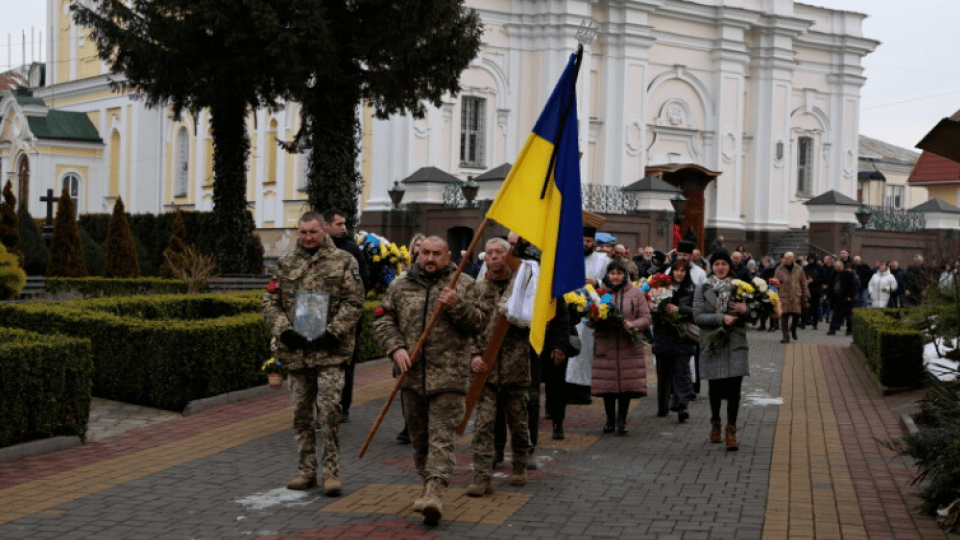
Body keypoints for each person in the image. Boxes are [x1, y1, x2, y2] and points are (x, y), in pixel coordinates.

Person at [372, 236, 487, 526]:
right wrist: (395, 348)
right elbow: (383, 320)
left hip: (449, 377)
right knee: (420, 440)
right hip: (411, 378)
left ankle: (435, 493)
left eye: (437, 253)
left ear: (448, 256)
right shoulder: (400, 285)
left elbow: (480, 322)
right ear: (417, 254)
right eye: (425, 253)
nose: (430, 258)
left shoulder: (464, 284)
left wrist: (456, 305)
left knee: (441, 438)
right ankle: (427, 486)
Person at [261, 211, 364, 495]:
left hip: (330, 351)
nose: (308, 237)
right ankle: (306, 471)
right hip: (296, 352)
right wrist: (284, 330)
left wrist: (333, 331)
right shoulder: (285, 263)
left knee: (330, 409)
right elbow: (270, 300)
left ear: (325, 231)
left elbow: (355, 301)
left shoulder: (344, 261)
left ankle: (331, 472)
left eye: (313, 232)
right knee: (301, 414)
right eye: (303, 232)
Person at [467, 238, 532, 497]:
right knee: (483, 424)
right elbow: (468, 326)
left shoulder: (523, 287)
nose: (493, 257)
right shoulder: (477, 288)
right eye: (489, 253)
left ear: (508, 256)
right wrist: (473, 355)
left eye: (499, 252)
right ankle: (482, 476)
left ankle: (519, 463)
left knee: (518, 422)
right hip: (486, 369)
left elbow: (535, 322)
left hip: (515, 366)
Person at [693, 250, 750, 451]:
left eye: (724, 263)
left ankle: (731, 429)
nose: (720, 267)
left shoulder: (741, 287)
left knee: (734, 389)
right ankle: (716, 422)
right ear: (711, 266)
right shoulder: (703, 287)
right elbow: (698, 316)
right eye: (716, 263)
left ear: (729, 266)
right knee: (715, 388)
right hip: (713, 344)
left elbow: (754, 314)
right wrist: (721, 318)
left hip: (735, 344)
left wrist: (746, 310)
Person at [591, 261, 652, 435]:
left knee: (626, 386)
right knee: (607, 387)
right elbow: (593, 315)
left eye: (619, 273)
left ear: (625, 275)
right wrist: (597, 319)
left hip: (628, 344)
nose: (615, 276)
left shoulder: (635, 293)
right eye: (612, 273)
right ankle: (610, 420)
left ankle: (622, 420)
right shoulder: (602, 293)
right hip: (607, 343)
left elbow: (647, 318)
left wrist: (632, 324)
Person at [323, 209, 371, 425]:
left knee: (345, 364)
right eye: (339, 224)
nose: (343, 227)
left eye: (344, 224)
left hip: (347, 321)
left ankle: (343, 406)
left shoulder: (352, 250)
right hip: (319, 318)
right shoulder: (315, 249)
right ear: (326, 226)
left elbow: (364, 283)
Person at [564, 227, 612, 407]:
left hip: (591, 312)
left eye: (589, 241)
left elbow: (612, 281)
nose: (586, 244)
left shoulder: (603, 260)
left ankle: (584, 392)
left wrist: (597, 282)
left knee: (584, 352)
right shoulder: (569, 258)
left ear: (594, 242)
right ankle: (568, 390)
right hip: (569, 310)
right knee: (568, 349)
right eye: (583, 241)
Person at [652, 260, 697, 423]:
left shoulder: (692, 289)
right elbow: (652, 312)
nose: (679, 273)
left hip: (683, 338)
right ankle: (662, 406)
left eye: (683, 271)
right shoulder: (660, 288)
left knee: (681, 372)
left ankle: (682, 406)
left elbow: (697, 312)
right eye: (676, 270)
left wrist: (680, 310)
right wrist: (656, 307)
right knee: (663, 374)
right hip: (663, 336)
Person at [774, 252, 809, 344]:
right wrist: (774, 295)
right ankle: (786, 336)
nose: (787, 260)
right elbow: (775, 283)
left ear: (793, 259)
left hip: (796, 296)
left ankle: (793, 328)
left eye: (789, 258)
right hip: (784, 296)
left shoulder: (799, 269)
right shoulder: (779, 269)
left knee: (797, 315)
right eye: (785, 258)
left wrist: (805, 295)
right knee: (784, 317)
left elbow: (803, 282)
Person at [827, 261, 856, 335]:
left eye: (838, 267)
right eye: (836, 267)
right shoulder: (833, 274)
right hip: (837, 298)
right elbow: (830, 285)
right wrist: (829, 296)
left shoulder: (848, 274)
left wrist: (851, 296)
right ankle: (832, 330)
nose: (837, 268)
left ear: (842, 266)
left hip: (846, 298)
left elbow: (852, 286)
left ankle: (849, 330)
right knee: (835, 315)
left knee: (848, 316)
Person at [803, 254, 825, 330]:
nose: (811, 260)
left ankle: (815, 323)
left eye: (812, 259)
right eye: (810, 259)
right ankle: (804, 322)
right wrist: (805, 281)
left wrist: (814, 280)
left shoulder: (819, 268)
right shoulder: (805, 268)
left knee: (815, 307)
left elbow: (823, 279)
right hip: (806, 289)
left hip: (816, 290)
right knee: (805, 306)